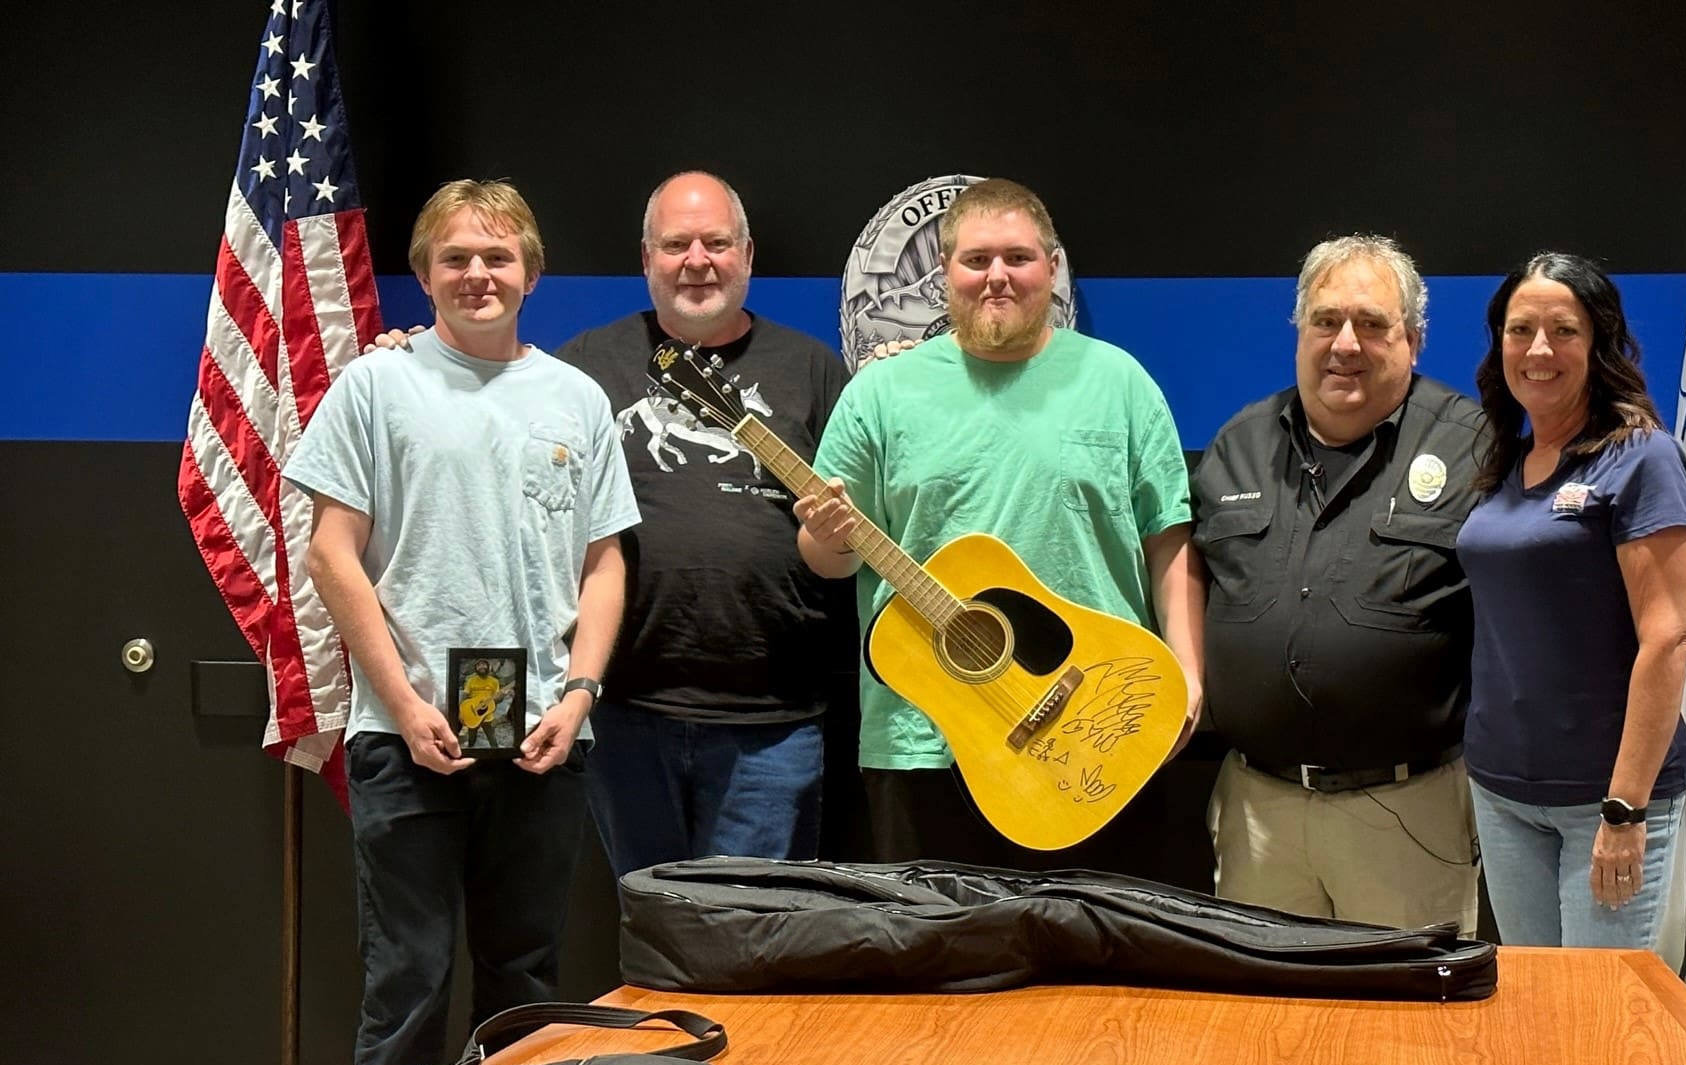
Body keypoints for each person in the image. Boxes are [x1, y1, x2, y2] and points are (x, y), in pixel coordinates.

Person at [289, 179, 638, 1065]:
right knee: (407, 974)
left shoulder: (575, 398)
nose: (477, 274)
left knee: (523, 972)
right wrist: (401, 700)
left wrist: (580, 694)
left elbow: (605, 563)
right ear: (423, 274)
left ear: (531, 269)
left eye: (496, 256)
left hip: (538, 729)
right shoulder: (376, 385)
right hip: (403, 731)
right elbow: (332, 551)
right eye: (456, 258)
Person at [792, 178, 1203, 873]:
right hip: (924, 744)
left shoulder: (1121, 383)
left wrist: (1189, 675)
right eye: (976, 260)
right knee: (943, 968)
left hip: (1097, 735)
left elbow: (1169, 541)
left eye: (1018, 258)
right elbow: (829, 560)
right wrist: (826, 538)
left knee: (1099, 974)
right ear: (944, 273)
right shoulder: (878, 396)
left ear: (1052, 267)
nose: (997, 277)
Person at [556, 172, 852, 876]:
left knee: (756, 943)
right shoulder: (583, 369)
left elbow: (847, 546)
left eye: (717, 243)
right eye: (677, 244)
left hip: (773, 725)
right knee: (652, 936)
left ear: (747, 255)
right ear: (646, 259)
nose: (698, 260)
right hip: (623, 711)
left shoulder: (813, 370)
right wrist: (412, 351)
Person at [1191, 235, 1486, 929]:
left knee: (1409, 1029)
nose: (1345, 343)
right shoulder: (1241, 444)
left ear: (1412, 341)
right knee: (1266, 1024)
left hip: (1406, 811)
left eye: (1372, 324)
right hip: (1257, 809)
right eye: (1325, 321)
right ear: (1300, 333)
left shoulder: (1472, 445)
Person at [1456, 251, 1686, 968]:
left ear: (1599, 346)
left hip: (1606, 802)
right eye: (1520, 329)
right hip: (1502, 792)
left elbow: (1670, 639)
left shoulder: (1642, 459)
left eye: (1563, 330)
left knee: (1598, 1024)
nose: (1538, 350)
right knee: (1534, 1013)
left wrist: (1626, 810)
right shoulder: (1507, 459)